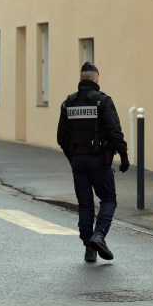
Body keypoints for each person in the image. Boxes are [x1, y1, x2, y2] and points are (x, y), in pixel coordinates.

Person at [57, 62, 129, 262]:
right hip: (99, 159)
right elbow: (115, 131)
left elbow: (61, 137)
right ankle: (99, 236)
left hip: (78, 160)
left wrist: (72, 157)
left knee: (85, 205)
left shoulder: (68, 103)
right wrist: (123, 156)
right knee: (108, 199)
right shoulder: (103, 101)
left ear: (81, 79)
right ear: (97, 79)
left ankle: (89, 248)